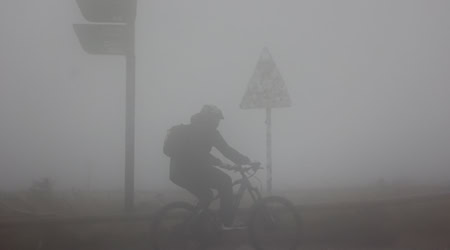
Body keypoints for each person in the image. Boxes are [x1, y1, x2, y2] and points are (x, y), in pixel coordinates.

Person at [166, 105, 252, 230]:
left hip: (176, 172)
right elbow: (220, 151)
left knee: (206, 195)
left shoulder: (192, 129)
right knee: (225, 181)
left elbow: (216, 152)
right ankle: (226, 222)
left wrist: (240, 161)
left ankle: (193, 226)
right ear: (209, 118)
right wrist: (246, 161)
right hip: (191, 170)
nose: (217, 123)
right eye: (216, 119)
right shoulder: (207, 131)